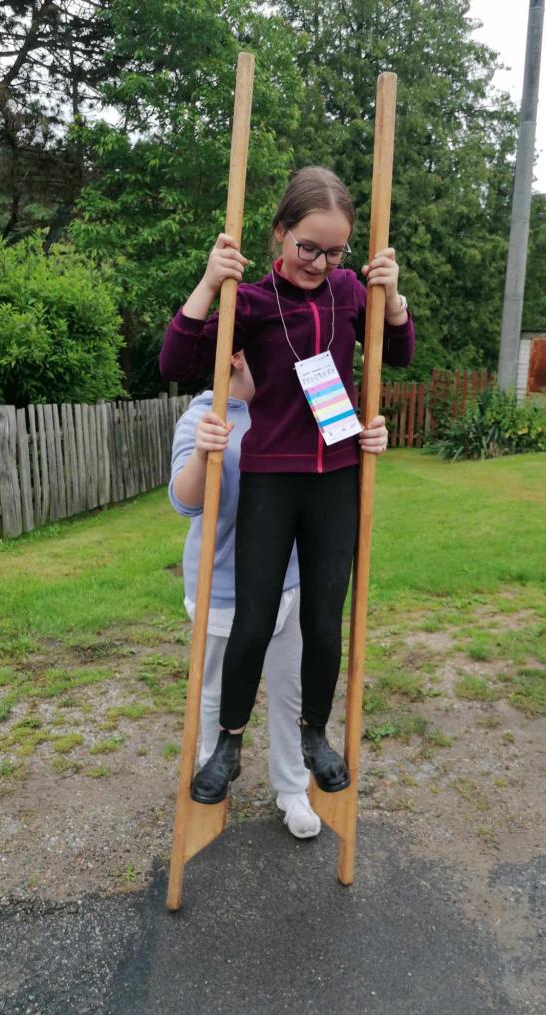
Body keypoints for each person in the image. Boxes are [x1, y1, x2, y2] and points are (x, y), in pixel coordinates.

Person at [160, 165, 414, 802]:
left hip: (336, 479)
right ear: (280, 232)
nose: (321, 264)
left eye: (335, 252)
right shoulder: (250, 302)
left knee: (324, 624)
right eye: (309, 248)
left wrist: (394, 299)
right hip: (272, 480)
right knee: (253, 620)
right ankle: (228, 745)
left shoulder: (351, 291)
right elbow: (175, 360)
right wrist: (209, 282)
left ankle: (314, 736)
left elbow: (400, 352)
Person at [169, 349, 389, 836]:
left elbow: (340, 466)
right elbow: (184, 502)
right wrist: (204, 452)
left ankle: (292, 790)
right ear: (237, 356)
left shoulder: (302, 404)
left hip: (290, 580)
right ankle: (214, 770)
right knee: (217, 692)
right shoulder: (206, 413)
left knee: (291, 693)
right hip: (224, 587)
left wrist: (370, 439)